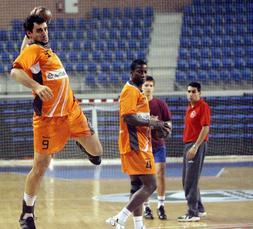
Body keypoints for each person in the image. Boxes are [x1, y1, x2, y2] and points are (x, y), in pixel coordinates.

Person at [10, 15, 103, 229]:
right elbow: (14, 71)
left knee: (97, 153)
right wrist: (36, 86)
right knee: (41, 166)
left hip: (72, 112)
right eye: (39, 30)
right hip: (48, 121)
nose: (44, 32)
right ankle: (27, 214)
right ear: (30, 34)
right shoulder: (33, 51)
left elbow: (26, 51)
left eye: (45, 29)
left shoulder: (48, 52)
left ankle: (80, 142)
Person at [106, 59, 171, 229]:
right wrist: (152, 122)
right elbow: (128, 117)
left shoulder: (137, 91)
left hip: (138, 143)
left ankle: (138, 225)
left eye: (144, 72)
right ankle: (120, 217)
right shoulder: (130, 91)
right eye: (139, 72)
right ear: (131, 73)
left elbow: (138, 117)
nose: (142, 75)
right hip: (136, 145)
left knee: (137, 186)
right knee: (151, 184)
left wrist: (153, 124)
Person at [177, 82, 211, 222]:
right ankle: (200, 208)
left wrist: (195, 146)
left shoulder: (203, 106)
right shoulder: (189, 108)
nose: (190, 94)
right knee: (189, 180)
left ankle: (192, 213)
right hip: (188, 145)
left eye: (194, 91)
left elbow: (205, 128)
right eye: (189, 91)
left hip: (196, 145)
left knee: (189, 181)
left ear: (200, 93)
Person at [142, 76, 172, 220]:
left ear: (153, 87)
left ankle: (161, 205)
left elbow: (168, 124)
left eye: (150, 85)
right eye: (146, 85)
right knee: (146, 178)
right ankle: (146, 207)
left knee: (160, 173)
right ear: (142, 87)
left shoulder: (161, 104)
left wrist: (165, 130)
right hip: (143, 147)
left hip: (158, 145)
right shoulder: (138, 104)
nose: (148, 87)